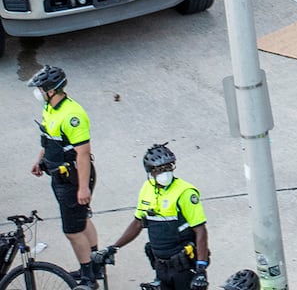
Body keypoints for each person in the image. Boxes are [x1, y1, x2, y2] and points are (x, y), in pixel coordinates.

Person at [27, 66, 100, 287]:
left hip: (73, 178)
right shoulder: (50, 109)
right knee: (82, 219)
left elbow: (83, 153)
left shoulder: (72, 115)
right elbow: (49, 138)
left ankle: (88, 277)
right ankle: (95, 264)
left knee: (72, 231)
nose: (38, 92)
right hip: (60, 177)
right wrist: (41, 160)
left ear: (51, 90)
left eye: (40, 88)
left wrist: (82, 188)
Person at [105, 144, 210, 290]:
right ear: (150, 172)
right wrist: (113, 248)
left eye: (168, 167)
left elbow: (200, 231)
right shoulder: (146, 189)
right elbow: (137, 223)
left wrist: (201, 269)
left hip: (184, 267)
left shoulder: (185, 192)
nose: (165, 172)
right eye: (160, 169)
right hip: (160, 266)